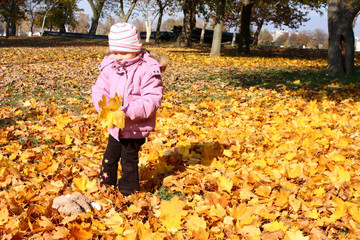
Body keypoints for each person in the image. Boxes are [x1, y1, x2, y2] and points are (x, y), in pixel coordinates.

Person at [91, 22, 165, 197]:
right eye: (115, 52)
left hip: (134, 127)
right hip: (115, 125)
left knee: (129, 160)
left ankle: (128, 191)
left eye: (123, 52)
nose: (118, 56)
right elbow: (100, 89)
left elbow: (152, 99)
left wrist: (127, 110)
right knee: (109, 157)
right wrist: (103, 106)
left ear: (136, 49)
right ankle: (106, 184)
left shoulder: (147, 70)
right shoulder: (111, 66)